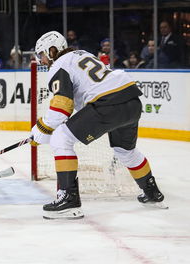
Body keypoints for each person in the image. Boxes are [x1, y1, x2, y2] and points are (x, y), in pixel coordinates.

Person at [32, 31, 166, 219]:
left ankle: (68, 201)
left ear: (52, 50)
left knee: (60, 138)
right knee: (125, 151)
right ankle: (152, 193)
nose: (41, 60)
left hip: (107, 104)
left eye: (42, 55)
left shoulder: (59, 65)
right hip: (131, 100)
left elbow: (62, 107)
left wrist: (42, 129)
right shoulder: (83, 54)